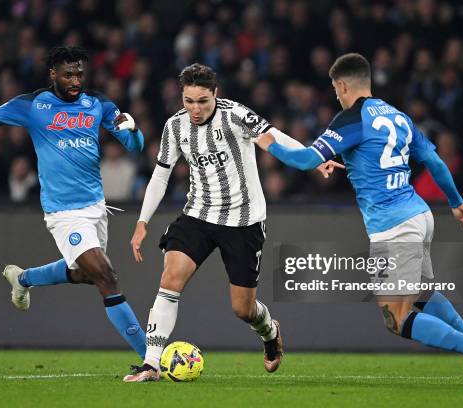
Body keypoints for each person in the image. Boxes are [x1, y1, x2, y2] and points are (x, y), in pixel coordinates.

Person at [254, 53, 463, 388]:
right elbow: (433, 160)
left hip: (394, 227)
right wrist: (456, 202)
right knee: (423, 295)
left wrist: (265, 139)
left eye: (335, 89)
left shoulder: (350, 119)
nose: (336, 95)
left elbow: (303, 160)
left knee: (397, 319)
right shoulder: (397, 115)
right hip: (419, 214)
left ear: (342, 85)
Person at [123, 63, 342, 382]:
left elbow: (275, 138)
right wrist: (143, 221)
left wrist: (314, 158)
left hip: (244, 221)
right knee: (170, 278)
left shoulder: (237, 115)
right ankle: (152, 363)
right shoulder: (175, 126)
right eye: (188, 101)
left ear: (215, 94)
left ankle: (269, 331)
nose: (195, 109)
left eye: (202, 101)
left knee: (243, 308)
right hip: (198, 214)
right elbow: (161, 173)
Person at [0, 46, 147, 360]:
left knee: (84, 274)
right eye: (68, 74)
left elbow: (133, 146)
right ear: (53, 74)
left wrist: (133, 130)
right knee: (107, 277)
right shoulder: (32, 105)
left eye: (79, 73)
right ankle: (151, 358)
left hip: (95, 207)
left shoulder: (99, 105)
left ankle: (23, 278)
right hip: (63, 211)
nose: (75, 79)